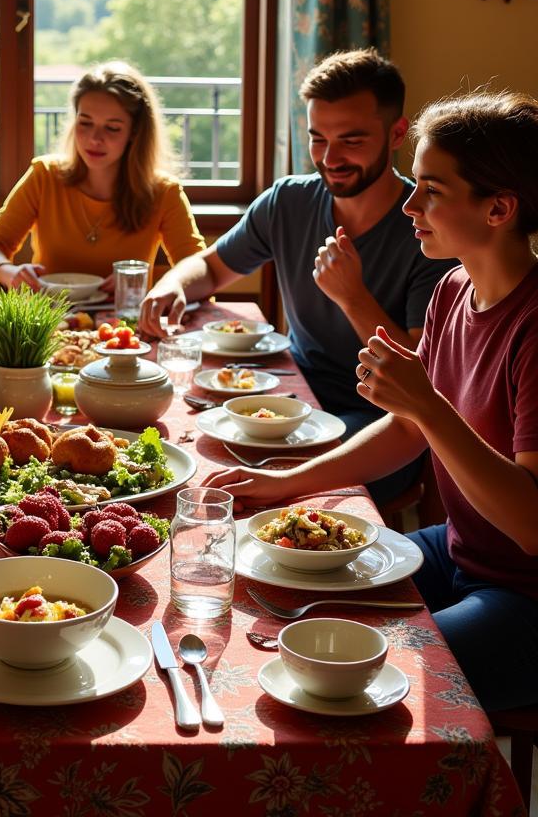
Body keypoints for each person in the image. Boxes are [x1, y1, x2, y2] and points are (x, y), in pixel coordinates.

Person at [206, 91, 538, 712]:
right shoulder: (453, 289)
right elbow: (408, 432)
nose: (410, 204)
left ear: (498, 208)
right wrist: (286, 483)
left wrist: (429, 407)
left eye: (432, 191)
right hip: (459, 550)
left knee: (350, 676)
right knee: (285, 611)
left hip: (522, 596)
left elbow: (530, 526)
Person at [140, 48, 455, 504]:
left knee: (273, 491)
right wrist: (172, 284)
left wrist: (353, 298)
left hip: (379, 424)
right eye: (317, 139)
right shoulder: (288, 201)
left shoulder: (428, 230)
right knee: (195, 460)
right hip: (294, 399)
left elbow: (421, 381)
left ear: (396, 134)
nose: (330, 157)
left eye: (351, 140)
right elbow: (209, 267)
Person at [0, 60, 205, 292]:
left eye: (112, 128)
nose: (94, 139)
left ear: (135, 132)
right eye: (85, 123)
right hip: (49, 322)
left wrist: (146, 282)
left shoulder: (164, 192)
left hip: (124, 324)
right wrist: (8, 272)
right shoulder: (45, 176)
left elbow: (197, 269)